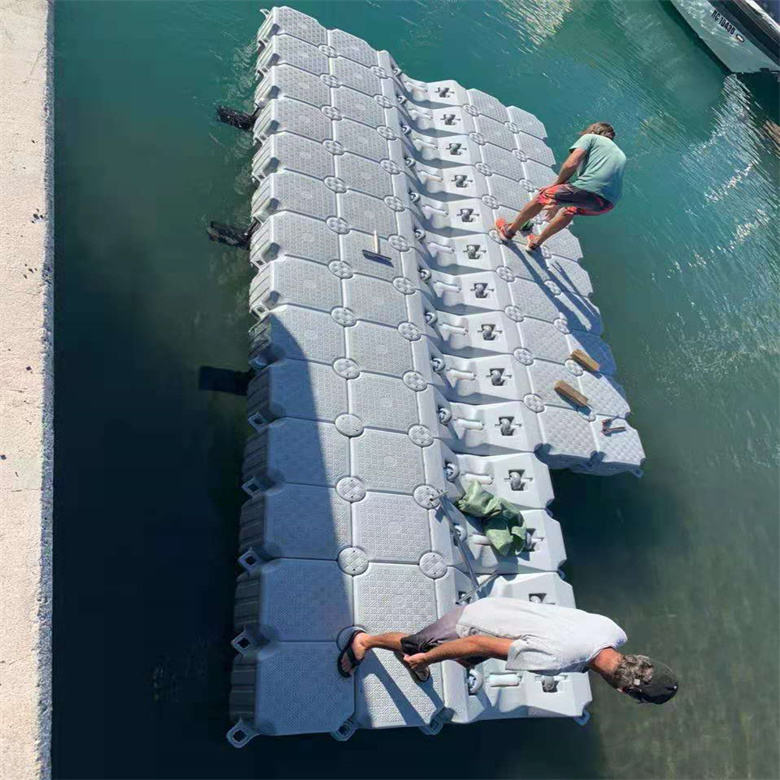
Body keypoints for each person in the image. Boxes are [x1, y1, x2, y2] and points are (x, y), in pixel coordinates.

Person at [337, 597, 679, 705]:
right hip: (477, 622)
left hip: (510, 616)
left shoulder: (613, 631)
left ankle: (421, 655)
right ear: (623, 690)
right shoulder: (557, 659)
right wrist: (427, 659)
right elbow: (479, 643)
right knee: (418, 645)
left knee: (467, 659)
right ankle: (366, 641)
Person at [495, 121, 625, 251]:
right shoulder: (620, 154)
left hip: (588, 190)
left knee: (543, 196)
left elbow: (571, 164)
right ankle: (535, 242)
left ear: (593, 131)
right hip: (607, 204)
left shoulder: (591, 138)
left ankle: (509, 231)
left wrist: (555, 186)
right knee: (570, 210)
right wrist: (560, 202)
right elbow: (593, 185)